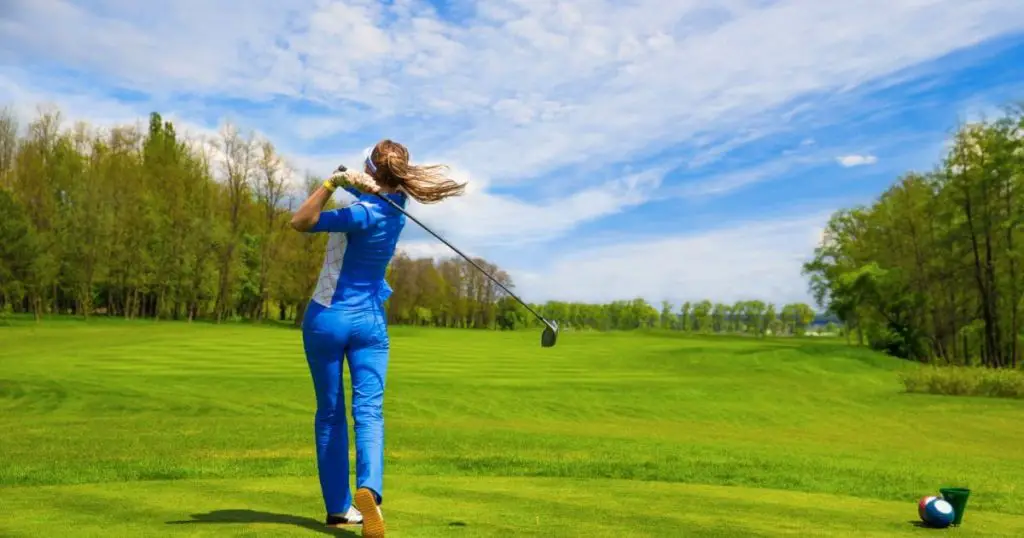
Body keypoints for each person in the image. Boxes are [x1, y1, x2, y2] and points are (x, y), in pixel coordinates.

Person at [289, 140, 465, 537]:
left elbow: (301, 220)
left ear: (370, 170)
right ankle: (370, 489)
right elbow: (378, 192)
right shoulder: (398, 208)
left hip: (327, 320)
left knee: (331, 415)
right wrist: (355, 180)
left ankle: (338, 508)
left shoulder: (357, 214)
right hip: (371, 323)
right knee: (369, 412)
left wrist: (331, 183)